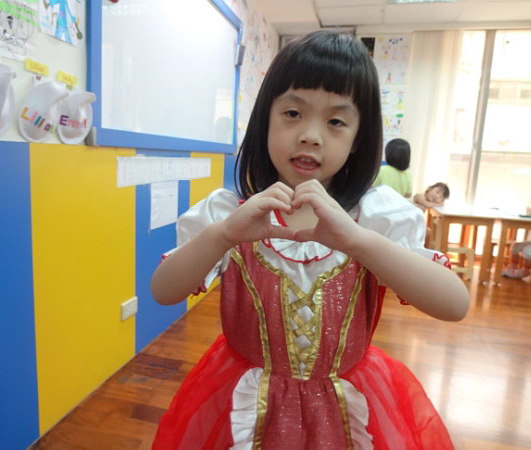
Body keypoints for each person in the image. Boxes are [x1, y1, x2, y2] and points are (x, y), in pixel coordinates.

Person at [151, 31, 469, 449]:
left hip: (349, 404)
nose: (311, 135)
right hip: (243, 401)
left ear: (358, 139)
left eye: (336, 121)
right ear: (265, 121)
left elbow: (454, 304)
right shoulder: (230, 213)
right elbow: (164, 291)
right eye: (293, 113)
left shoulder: (376, 216)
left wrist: (359, 241)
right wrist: (223, 235)